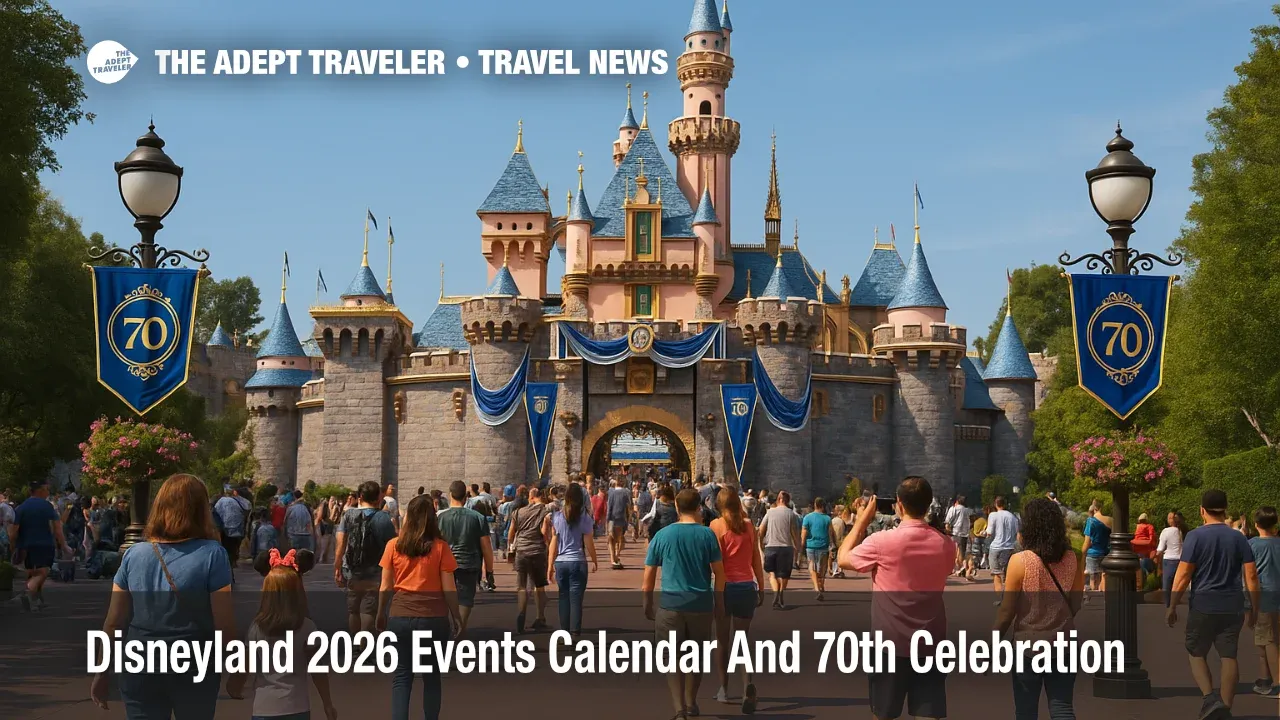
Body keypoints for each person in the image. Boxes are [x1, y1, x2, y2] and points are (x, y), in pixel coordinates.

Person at [90, 474, 237, 718]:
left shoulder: (134, 555)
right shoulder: (213, 554)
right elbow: (224, 623)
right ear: (201, 510)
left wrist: (101, 672)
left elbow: (114, 622)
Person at [838, 477, 956, 720]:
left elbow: (843, 557)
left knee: (884, 713)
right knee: (927, 713)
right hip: (930, 642)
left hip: (889, 642)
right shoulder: (946, 545)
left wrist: (861, 520)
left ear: (898, 504)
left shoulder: (882, 542)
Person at [1167, 489, 1262, 719]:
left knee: (1196, 650)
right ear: (1225, 509)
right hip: (1233, 605)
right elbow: (1251, 576)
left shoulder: (1195, 537)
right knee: (1229, 655)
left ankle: (1210, 697)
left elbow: (1183, 574)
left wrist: (1172, 605)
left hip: (1203, 604)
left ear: (1202, 511)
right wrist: (1255, 608)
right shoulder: (1238, 537)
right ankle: (1226, 707)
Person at [993, 497, 1084, 720]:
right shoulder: (1072, 557)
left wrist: (995, 636)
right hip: (1064, 642)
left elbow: (1008, 610)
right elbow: (1076, 602)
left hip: (1028, 645)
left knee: (1026, 711)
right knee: (1062, 707)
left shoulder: (1020, 560)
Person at [376, 495, 462, 720]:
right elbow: (448, 588)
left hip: (400, 615)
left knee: (402, 676)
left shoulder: (393, 546)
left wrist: (380, 613)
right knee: (432, 676)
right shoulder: (441, 547)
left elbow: (385, 586)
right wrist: (457, 617)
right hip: (433, 617)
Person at [644, 488, 726, 720]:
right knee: (695, 658)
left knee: (671, 659)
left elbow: (649, 573)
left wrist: (647, 601)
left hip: (671, 604)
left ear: (677, 508)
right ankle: (691, 701)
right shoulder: (707, 535)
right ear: (699, 507)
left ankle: (679, 707)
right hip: (700, 604)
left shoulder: (663, 535)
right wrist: (719, 602)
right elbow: (719, 573)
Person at [227, 548, 335, 720]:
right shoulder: (307, 627)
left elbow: (243, 667)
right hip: (297, 706)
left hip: (264, 708)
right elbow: (318, 669)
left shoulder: (256, 628)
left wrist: (234, 686)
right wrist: (327, 704)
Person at [710, 488, 765, 713]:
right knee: (743, 640)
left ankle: (723, 688)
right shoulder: (750, 526)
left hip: (725, 587)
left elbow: (715, 562)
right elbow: (755, 559)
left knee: (723, 642)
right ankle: (746, 686)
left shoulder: (716, 526)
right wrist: (761, 586)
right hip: (746, 586)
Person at [334, 480, 397, 634]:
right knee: (369, 610)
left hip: (352, 569)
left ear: (360, 497)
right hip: (375, 571)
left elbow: (341, 543)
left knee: (353, 610)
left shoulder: (348, 515)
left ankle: (356, 645)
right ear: (379, 498)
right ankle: (364, 646)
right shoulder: (384, 518)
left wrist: (337, 567)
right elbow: (392, 547)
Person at [438, 480, 494, 634]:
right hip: (469, 563)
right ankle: (459, 630)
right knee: (465, 599)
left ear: (450, 495)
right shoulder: (477, 518)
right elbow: (486, 546)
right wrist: (489, 570)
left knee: (444, 597)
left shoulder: (440, 517)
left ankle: (448, 628)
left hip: (445, 564)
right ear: (465, 497)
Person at [9, 480, 71, 611]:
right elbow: (57, 527)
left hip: (26, 546)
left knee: (33, 572)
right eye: (46, 490)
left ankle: (37, 600)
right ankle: (27, 593)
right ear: (40, 491)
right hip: (44, 544)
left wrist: (13, 546)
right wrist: (64, 545)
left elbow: (14, 531)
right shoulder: (47, 506)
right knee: (42, 572)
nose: (48, 492)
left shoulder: (21, 507)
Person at [547, 483, 597, 637]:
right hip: (577, 561)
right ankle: (575, 632)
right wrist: (595, 560)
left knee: (563, 598)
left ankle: (564, 633)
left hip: (561, 562)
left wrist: (550, 565)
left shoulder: (557, 516)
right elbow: (588, 541)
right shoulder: (584, 518)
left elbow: (553, 543)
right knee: (576, 599)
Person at [507, 486, 552, 634]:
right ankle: (540, 617)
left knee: (521, 586)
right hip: (537, 551)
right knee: (539, 586)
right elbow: (544, 531)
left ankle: (521, 614)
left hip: (521, 551)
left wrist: (510, 548)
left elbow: (511, 534)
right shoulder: (543, 511)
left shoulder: (517, 512)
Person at [1249, 506, 1280, 697]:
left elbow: (1249, 575)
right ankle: (1264, 677)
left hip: (1264, 597)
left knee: (1268, 639)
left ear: (1256, 524)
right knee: (1265, 639)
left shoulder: (1252, 545)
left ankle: (1277, 681)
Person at [758, 491, 801, 609]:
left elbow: (761, 529)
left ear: (779, 499)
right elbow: (794, 532)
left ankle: (775, 591)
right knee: (784, 575)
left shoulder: (770, 512)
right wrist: (797, 546)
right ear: (788, 501)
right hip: (786, 548)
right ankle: (780, 593)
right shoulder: (791, 514)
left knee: (772, 573)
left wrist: (760, 542)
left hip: (771, 546)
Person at [800, 496, 836, 601]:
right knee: (822, 568)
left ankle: (817, 588)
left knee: (812, 568)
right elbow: (831, 533)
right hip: (823, 546)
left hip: (811, 546)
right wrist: (833, 543)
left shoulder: (807, 517)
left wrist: (801, 545)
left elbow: (804, 533)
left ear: (815, 505)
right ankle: (821, 584)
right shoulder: (827, 518)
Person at [987, 496, 1021, 604]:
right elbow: (1018, 534)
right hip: (1010, 547)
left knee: (996, 574)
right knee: (1008, 574)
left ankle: (1000, 598)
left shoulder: (993, 515)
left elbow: (989, 531)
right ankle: (1009, 598)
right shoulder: (1013, 517)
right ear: (1005, 504)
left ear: (995, 504)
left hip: (996, 547)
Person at [213, 486, 252, 571]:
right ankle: (233, 561)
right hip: (239, 529)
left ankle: (228, 565)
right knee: (235, 546)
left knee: (227, 547)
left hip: (226, 530)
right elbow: (248, 512)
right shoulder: (245, 502)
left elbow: (216, 512)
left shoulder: (222, 501)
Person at [1081, 501, 1112, 600]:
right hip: (1106, 552)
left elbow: (1087, 541)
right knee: (1104, 576)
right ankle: (1103, 600)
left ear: (1095, 509)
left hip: (1093, 554)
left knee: (1093, 579)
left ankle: (1093, 602)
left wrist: (1082, 553)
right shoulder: (1111, 520)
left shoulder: (1091, 521)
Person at [1157, 510, 1187, 607]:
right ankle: (1176, 602)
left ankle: (1168, 605)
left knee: (1167, 584)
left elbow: (1160, 549)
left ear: (1170, 520)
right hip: (1180, 559)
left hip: (1168, 560)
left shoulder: (1166, 531)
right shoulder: (1182, 530)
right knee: (1177, 583)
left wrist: (1156, 557)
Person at [606, 478, 633, 569]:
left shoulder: (611, 492)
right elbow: (629, 506)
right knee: (620, 537)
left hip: (612, 518)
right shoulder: (626, 492)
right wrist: (629, 519)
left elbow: (609, 506)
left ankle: (612, 558)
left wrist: (607, 518)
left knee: (611, 539)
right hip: (622, 518)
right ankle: (617, 555)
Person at [944, 496, 971, 576]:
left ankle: (954, 568)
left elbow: (947, 521)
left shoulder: (953, 509)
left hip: (954, 532)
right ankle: (960, 568)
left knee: (953, 550)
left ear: (957, 502)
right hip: (964, 533)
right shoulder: (967, 510)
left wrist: (947, 530)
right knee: (961, 552)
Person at [1133, 513, 1156, 589]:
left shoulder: (1137, 527)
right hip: (1147, 552)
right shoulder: (1149, 527)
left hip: (1137, 552)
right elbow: (1152, 539)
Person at [314, 498, 336, 564]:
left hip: (323, 528)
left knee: (321, 547)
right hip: (325, 528)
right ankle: (322, 558)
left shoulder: (317, 520)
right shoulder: (328, 522)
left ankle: (321, 559)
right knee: (324, 548)